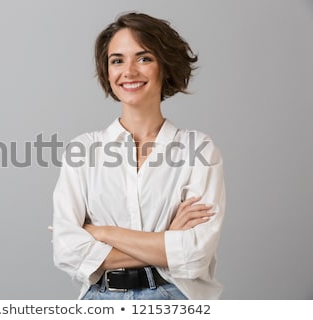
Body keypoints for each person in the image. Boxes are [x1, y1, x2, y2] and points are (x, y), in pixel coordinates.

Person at [52, 12, 226, 300]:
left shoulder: (199, 150)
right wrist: (167, 240)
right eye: (117, 60)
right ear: (107, 71)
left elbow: (195, 254)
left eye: (144, 58)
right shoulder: (82, 151)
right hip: (99, 299)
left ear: (165, 66)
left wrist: (102, 232)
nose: (129, 72)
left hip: (174, 298)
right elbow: (68, 251)